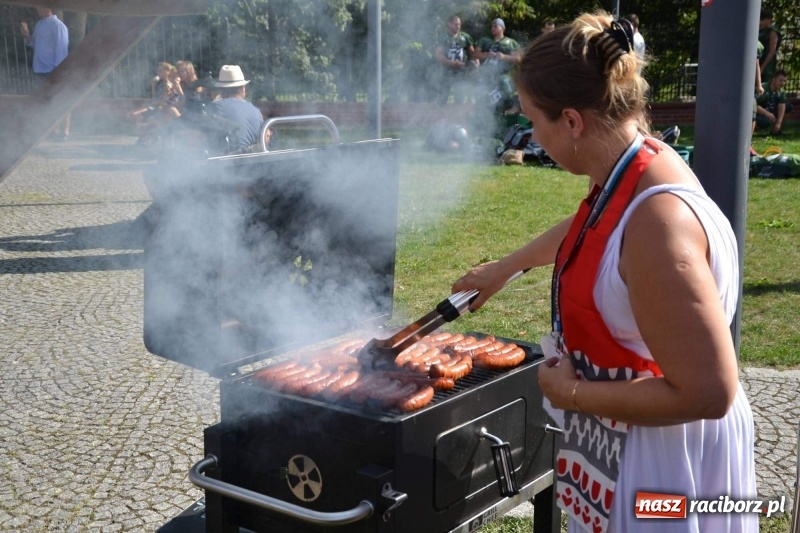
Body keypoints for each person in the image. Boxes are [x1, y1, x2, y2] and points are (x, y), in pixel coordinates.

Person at [451, 10, 756, 533]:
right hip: (635, 450)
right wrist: (506, 268)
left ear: (571, 121)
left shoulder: (658, 225)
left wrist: (571, 395)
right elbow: (592, 222)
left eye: (533, 120)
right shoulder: (639, 165)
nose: (531, 134)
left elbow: (709, 390)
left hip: (663, 476)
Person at [20, 7, 70, 141]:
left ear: (48, 7)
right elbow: (34, 44)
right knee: (45, 101)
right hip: (40, 69)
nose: (37, 9)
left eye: (39, 6)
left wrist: (58, 71)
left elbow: (62, 49)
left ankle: (65, 132)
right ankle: (53, 131)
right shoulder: (39, 24)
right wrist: (27, 36)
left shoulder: (58, 25)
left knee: (61, 100)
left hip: (53, 70)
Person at [208, 64, 264, 152]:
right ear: (243, 88)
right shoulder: (256, 111)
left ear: (221, 90)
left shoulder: (215, 107)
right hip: (254, 162)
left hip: (227, 163)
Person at [434, 14, 479, 105]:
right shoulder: (443, 37)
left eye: (459, 24)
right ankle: (439, 116)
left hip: (461, 71)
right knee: (442, 97)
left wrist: (476, 65)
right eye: (455, 24)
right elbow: (438, 55)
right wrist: (451, 63)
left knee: (460, 96)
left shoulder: (465, 37)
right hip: (446, 71)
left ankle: (458, 117)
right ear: (449, 24)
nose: (458, 26)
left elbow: (473, 54)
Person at [755, 69, 793, 136]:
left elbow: (782, 106)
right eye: (780, 80)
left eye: (784, 81)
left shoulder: (781, 91)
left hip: (770, 109)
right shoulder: (763, 88)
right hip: (758, 112)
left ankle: (775, 130)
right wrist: (767, 113)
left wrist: (778, 123)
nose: (782, 83)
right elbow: (753, 105)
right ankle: (752, 131)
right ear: (773, 79)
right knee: (765, 122)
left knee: (789, 106)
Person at [758, 9, 781, 85]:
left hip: (767, 64)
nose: (761, 22)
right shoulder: (760, 30)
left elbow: (772, 51)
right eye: (760, 19)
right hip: (759, 60)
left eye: (763, 20)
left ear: (769, 19)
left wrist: (762, 68)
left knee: (764, 83)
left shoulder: (772, 31)